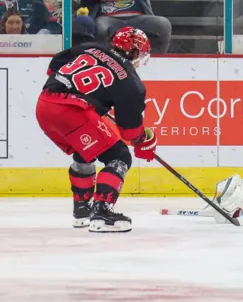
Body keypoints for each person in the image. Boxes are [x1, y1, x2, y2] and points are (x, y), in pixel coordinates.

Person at [35, 27, 157, 233]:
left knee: (86, 150)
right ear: (135, 53)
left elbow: (53, 67)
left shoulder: (90, 47)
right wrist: (145, 141)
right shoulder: (131, 82)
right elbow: (130, 132)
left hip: (44, 105)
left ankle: (82, 211)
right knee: (119, 156)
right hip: (72, 112)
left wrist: (90, 98)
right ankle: (102, 212)